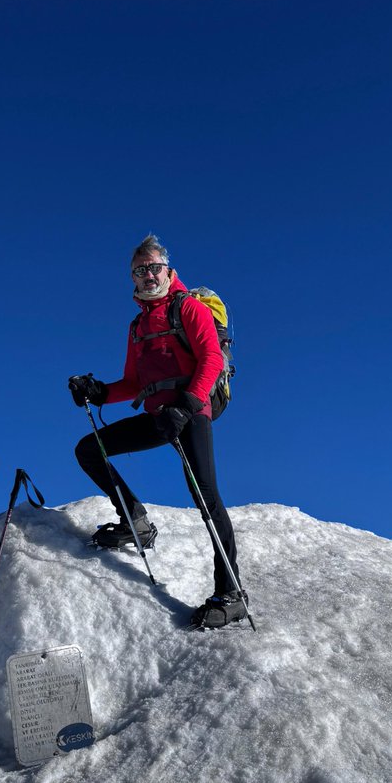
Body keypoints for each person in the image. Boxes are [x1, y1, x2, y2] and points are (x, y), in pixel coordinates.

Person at [69, 235, 248, 629]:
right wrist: (98, 392)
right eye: (140, 270)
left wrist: (186, 407)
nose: (148, 275)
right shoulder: (137, 327)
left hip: (191, 411)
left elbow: (211, 358)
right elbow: (134, 383)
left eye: (154, 267)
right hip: (160, 415)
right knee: (89, 449)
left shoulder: (187, 307)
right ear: (132, 277)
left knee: (206, 496)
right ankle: (135, 521)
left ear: (168, 271)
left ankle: (232, 593)